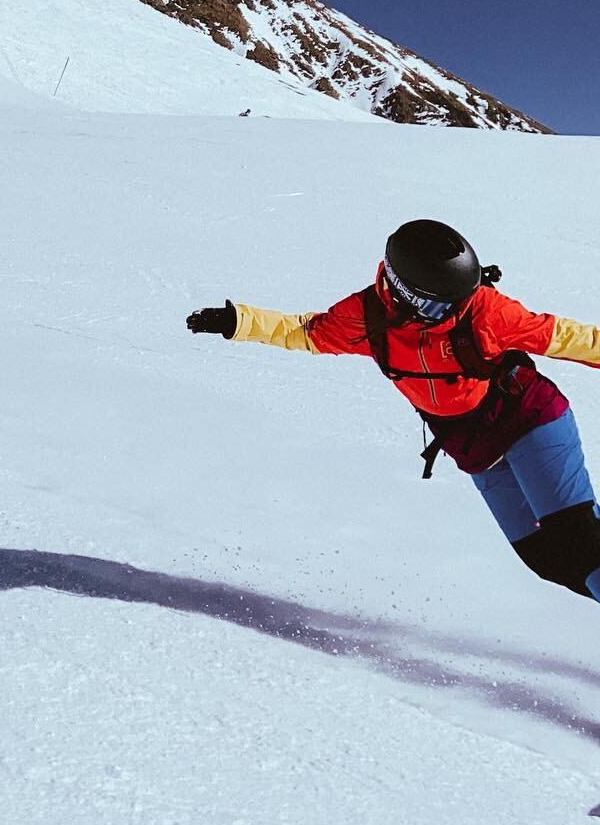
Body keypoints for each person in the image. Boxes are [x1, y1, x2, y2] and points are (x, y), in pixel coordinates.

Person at [186, 219, 600, 603]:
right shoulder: (367, 317)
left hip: (530, 419)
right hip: (476, 450)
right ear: (405, 295)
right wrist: (237, 322)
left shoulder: (485, 311)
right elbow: (307, 333)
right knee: (548, 563)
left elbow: (568, 337)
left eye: (461, 300)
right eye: (441, 307)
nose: (455, 311)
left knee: (580, 545)